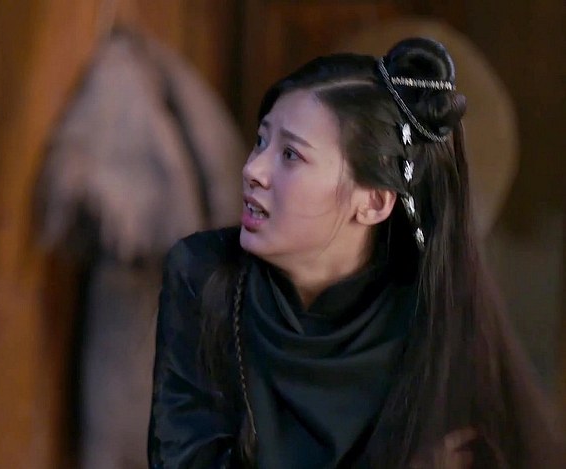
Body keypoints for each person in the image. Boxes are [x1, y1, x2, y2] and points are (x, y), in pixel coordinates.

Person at [147, 38, 565, 468]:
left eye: (290, 154)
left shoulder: (431, 318)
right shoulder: (203, 276)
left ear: (374, 203)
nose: (252, 169)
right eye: (261, 140)